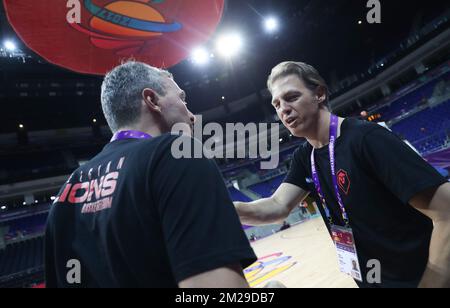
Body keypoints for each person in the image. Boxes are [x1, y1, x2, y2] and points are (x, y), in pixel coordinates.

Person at [235, 61, 450, 288]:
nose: (283, 109)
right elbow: (277, 206)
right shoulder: (304, 157)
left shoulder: (366, 139)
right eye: (276, 104)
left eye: (292, 97)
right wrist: (224, 208)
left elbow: (446, 212)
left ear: (319, 94)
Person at [45, 61, 257, 288]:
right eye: (183, 99)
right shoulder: (177, 154)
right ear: (153, 100)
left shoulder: (65, 195)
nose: (192, 115)